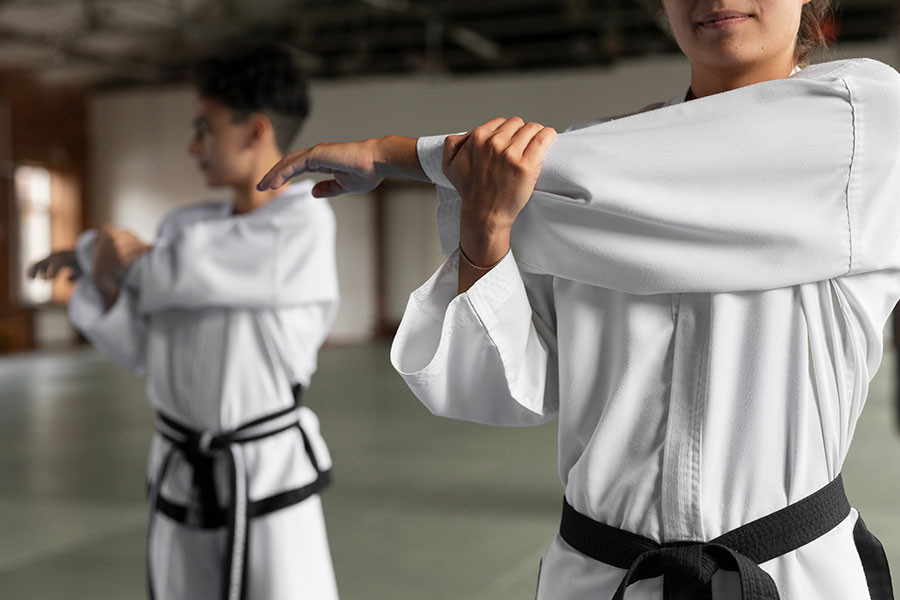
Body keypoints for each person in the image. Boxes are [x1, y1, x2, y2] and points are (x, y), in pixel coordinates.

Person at [258, 0, 900, 598]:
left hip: (786, 573)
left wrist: (402, 154)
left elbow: (675, 165)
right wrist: (486, 236)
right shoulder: (576, 172)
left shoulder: (867, 123)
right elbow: (509, 387)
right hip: (599, 575)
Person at [30, 44, 340, 600]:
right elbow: (142, 348)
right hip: (179, 469)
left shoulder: (304, 220)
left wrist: (99, 250)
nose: (193, 146)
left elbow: (182, 270)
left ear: (255, 131)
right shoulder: (183, 226)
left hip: (265, 473)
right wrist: (104, 283)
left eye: (205, 128)